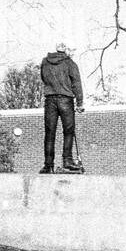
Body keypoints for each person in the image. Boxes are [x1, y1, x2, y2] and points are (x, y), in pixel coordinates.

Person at [39, 43, 84, 173]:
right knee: (68, 131)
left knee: (49, 133)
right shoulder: (70, 63)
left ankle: (48, 165)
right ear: (66, 51)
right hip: (66, 99)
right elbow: (76, 83)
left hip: (50, 100)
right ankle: (67, 161)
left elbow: (43, 78)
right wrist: (80, 103)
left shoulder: (45, 62)